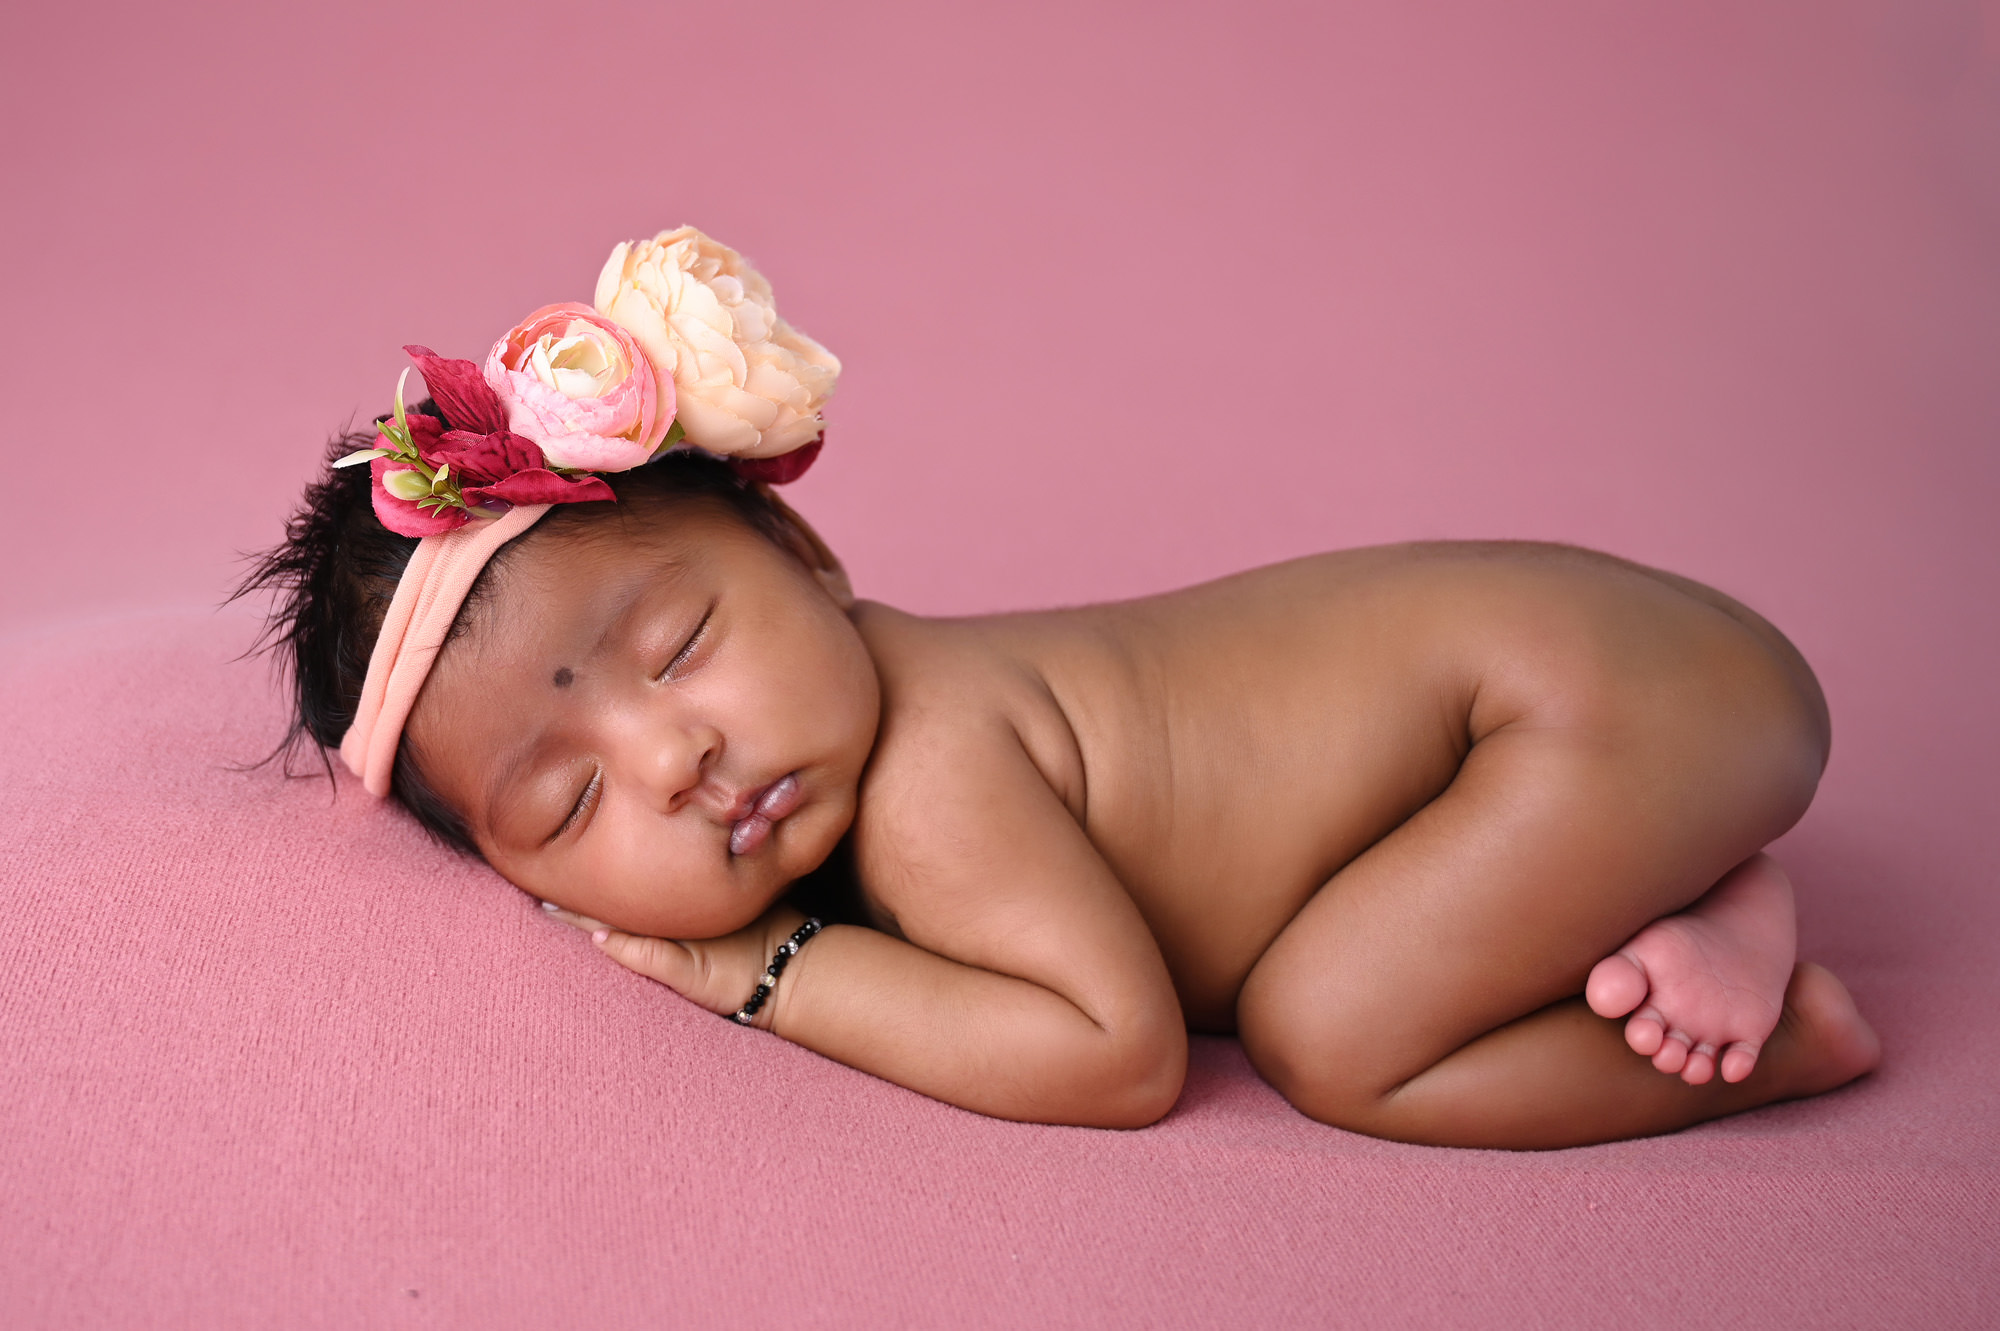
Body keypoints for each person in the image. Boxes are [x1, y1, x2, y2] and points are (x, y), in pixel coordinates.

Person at [246, 227, 1881, 1150]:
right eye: (570, 800)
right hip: (1585, 717)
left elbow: (1114, 1055)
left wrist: (759, 975)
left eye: (682, 648)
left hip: (1593, 703)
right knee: (1359, 964)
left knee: (1337, 1035)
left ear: (808, 557)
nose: (675, 756)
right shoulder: (855, 754)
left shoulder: (938, 758)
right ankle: (1699, 887)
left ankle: (1787, 1036)